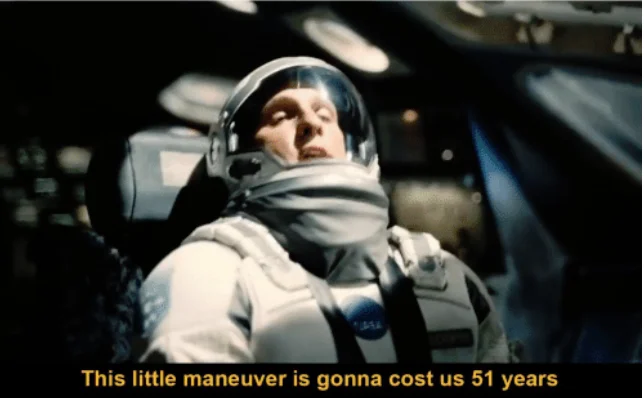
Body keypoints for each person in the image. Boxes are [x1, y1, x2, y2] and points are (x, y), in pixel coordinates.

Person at [137, 56, 513, 363]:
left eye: (326, 115)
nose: (311, 124)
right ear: (239, 155)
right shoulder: (206, 274)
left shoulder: (444, 277)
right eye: (282, 115)